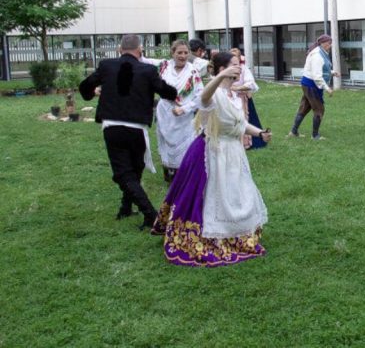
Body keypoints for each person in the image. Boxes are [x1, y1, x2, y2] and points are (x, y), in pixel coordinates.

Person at [151, 51, 272, 266]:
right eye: (233, 65)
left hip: (233, 151)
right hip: (212, 151)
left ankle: (237, 234)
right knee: (213, 196)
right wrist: (219, 77)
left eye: (239, 65)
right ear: (220, 69)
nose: (238, 68)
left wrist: (260, 133)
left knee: (237, 193)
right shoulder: (212, 94)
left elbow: (240, 125)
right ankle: (211, 235)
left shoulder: (233, 95)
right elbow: (204, 97)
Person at [79, 34, 178, 229]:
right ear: (140, 50)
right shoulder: (148, 70)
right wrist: (171, 91)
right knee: (130, 171)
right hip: (136, 129)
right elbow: (167, 92)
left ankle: (141, 212)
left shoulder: (107, 66)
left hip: (112, 127)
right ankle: (143, 212)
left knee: (128, 172)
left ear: (119, 49)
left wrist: (93, 93)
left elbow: (84, 87)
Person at [155, 40, 203, 183]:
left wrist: (185, 108)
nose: (182, 56)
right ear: (173, 53)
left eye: (186, 53)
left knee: (184, 142)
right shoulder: (164, 67)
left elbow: (201, 96)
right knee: (165, 141)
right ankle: (168, 171)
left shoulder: (193, 72)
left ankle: (183, 175)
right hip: (165, 112)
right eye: (179, 53)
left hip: (183, 114)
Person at [288, 34, 339, 140]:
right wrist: (327, 88)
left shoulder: (320, 52)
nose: (330, 46)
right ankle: (315, 135)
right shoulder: (317, 55)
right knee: (319, 109)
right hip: (312, 85)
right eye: (329, 44)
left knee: (304, 107)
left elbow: (322, 69)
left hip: (308, 84)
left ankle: (293, 132)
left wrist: (333, 72)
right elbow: (317, 76)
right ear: (323, 43)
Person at [230, 47, 267, 150]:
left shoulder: (244, 69)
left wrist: (236, 88)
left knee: (244, 119)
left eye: (236, 60)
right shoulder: (226, 70)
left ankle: (247, 142)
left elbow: (250, 83)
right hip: (229, 98)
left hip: (242, 99)